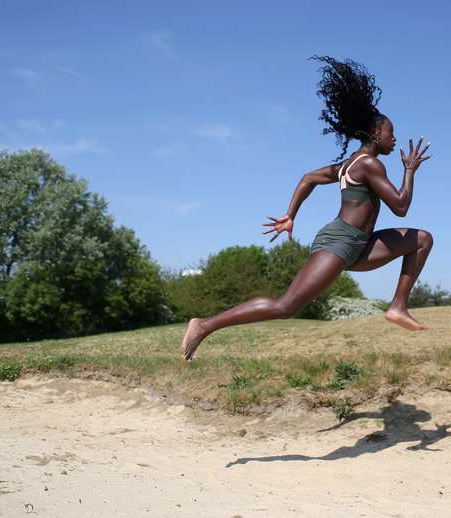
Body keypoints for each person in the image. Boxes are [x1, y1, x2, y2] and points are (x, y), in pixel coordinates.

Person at [181, 56, 434, 361]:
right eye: (390, 133)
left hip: (360, 244)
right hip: (339, 242)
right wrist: (409, 170)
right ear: (374, 133)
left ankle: (397, 307)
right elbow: (401, 206)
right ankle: (204, 325)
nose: (393, 139)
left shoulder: (348, 164)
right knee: (285, 306)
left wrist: (291, 215)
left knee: (421, 240)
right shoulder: (368, 164)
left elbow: (308, 178)